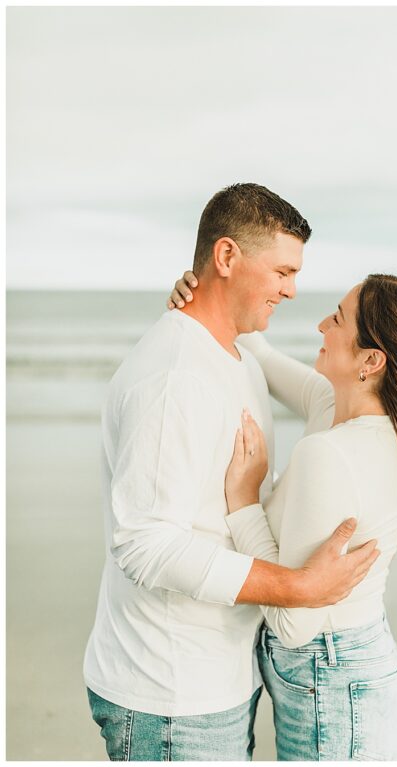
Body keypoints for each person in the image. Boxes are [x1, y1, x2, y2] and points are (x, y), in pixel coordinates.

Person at [84, 184, 379, 762]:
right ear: (226, 258)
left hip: (218, 679)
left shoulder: (237, 355)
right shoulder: (174, 380)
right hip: (168, 698)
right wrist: (296, 587)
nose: (292, 290)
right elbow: (143, 543)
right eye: (282, 272)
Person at [168, 271, 397, 760]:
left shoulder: (331, 453)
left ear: (371, 360)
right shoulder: (350, 414)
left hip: (333, 682)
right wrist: (205, 302)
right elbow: (262, 356)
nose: (322, 324)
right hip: (354, 673)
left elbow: (293, 624)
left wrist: (244, 501)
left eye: (338, 319)